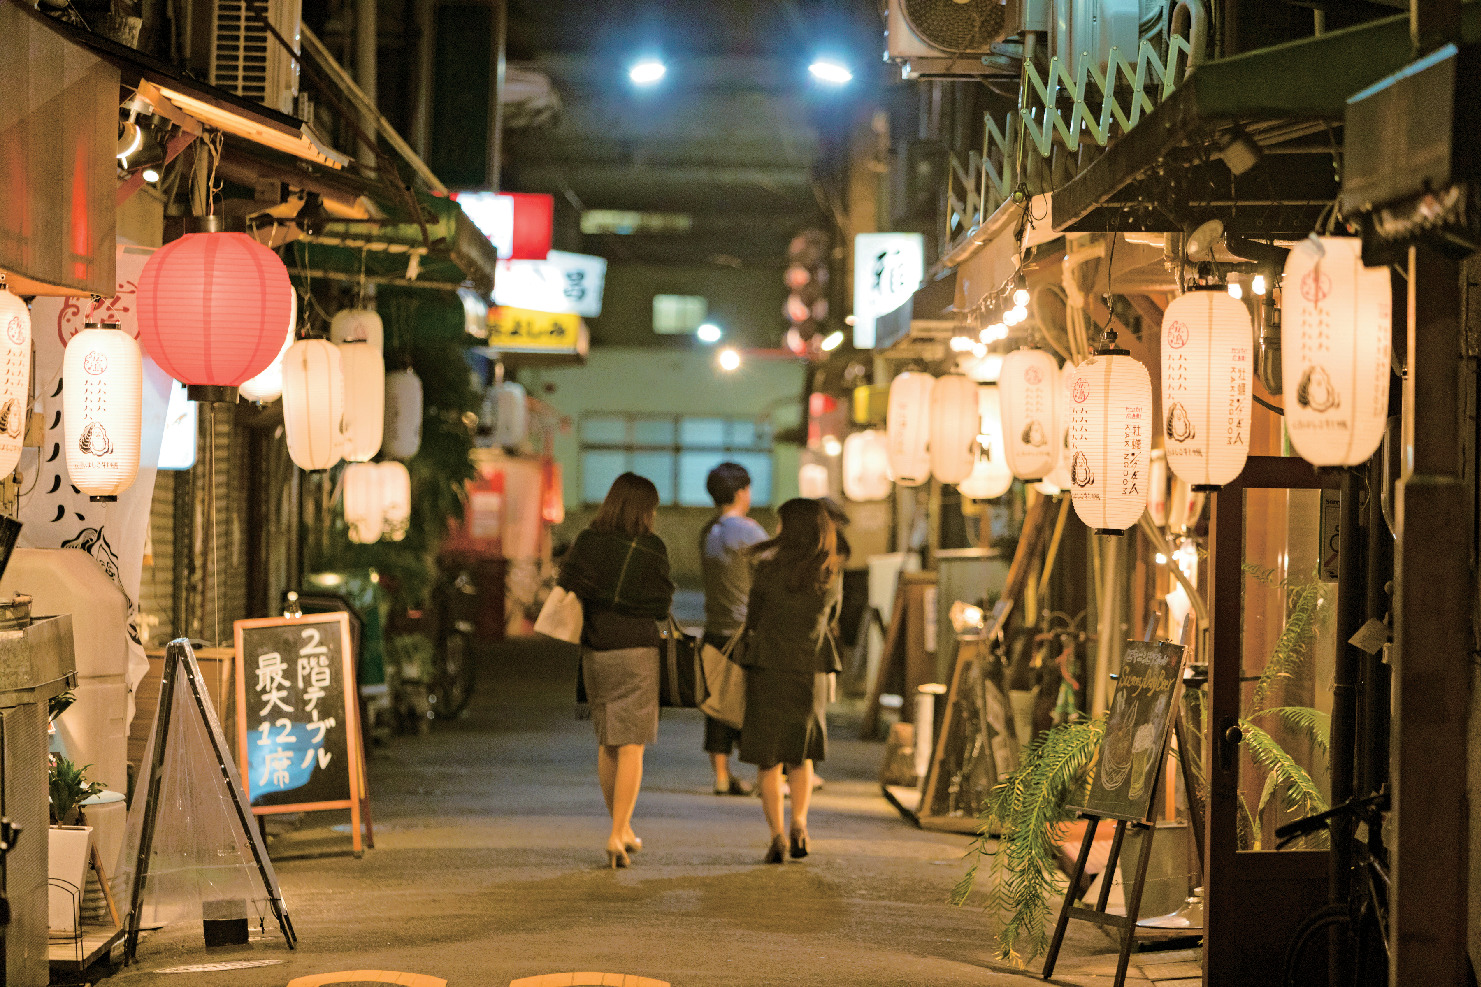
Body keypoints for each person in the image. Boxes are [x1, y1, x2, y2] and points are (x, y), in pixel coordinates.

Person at [557, 472, 675, 868]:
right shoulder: (652, 547)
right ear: (646, 510)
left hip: (597, 649)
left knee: (609, 740)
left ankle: (622, 829)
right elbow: (661, 604)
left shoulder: (589, 541)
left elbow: (567, 583)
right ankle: (616, 833)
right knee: (632, 744)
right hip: (638, 651)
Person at [738, 498, 842, 863]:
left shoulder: (766, 571)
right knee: (800, 755)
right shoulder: (829, 574)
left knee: (768, 759)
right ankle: (799, 822)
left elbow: (752, 620)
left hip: (767, 668)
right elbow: (832, 619)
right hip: (807, 672)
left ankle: (777, 836)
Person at [699, 462, 768, 796]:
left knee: (716, 704)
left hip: (714, 630)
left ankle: (722, 777)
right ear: (742, 491)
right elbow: (772, 570)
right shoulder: (748, 531)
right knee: (753, 705)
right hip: (744, 633)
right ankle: (767, 777)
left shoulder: (709, 532)